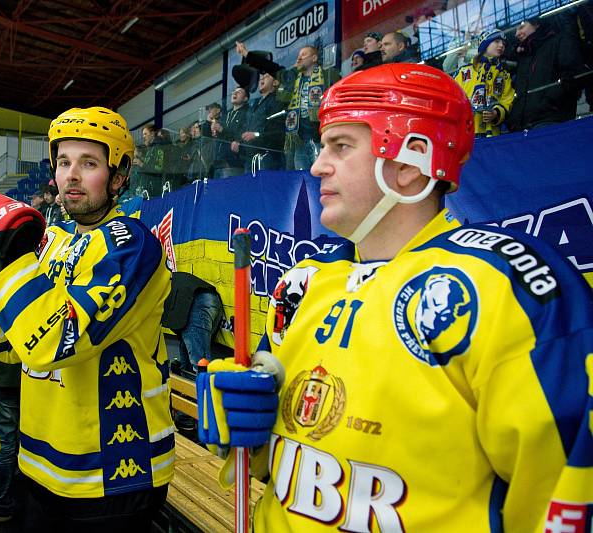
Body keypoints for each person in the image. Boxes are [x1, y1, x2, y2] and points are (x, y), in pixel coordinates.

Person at [197, 63, 593, 531]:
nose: (317, 165)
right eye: (323, 146)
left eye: (341, 146)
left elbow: (561, 497)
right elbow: (278, 461)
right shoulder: (303, 282)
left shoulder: (508, 286)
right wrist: (239, 421)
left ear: (409, 163)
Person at [0, 106, 174, 530]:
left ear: (119, 174)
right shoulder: (51, 243)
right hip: (41, 466)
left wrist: (12, 268)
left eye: (88, 163)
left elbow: (54, 342)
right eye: (63, 162)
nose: (71, 175)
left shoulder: (132, 247)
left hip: (111, 476)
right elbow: (9, 353)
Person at [236, 41, 340, 170]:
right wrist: (246, 54)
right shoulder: (291, 77)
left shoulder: (328, 76)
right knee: (301, 180)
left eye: (304, 54)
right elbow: (270, 67)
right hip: (298, 141)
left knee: (321, 176)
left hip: (320, 139)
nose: (299, 58)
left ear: (314, 58)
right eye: (298, 55)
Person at [507, 17, 586, 131]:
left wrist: (548, 103)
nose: (517, 33)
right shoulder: (525, 56)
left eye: (521, 27)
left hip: (550, 123)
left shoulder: (559, 42)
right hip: (522, 128)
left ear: (536, 24)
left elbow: (573, 76)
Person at [455, 29, 515, 137]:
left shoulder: (504, 75)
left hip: (493, 135)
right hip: (467, 135)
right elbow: (453, 98)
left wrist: (496, 113)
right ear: (484, 44)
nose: (501, 45)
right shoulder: (464, 71)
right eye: (496, 41)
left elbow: (507, 101)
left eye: (503, 43)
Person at [240, 71, 286, 173]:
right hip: (250, 155)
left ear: (275, 83)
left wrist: (257, 135)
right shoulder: (255, 104)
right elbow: (246, 126)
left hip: (268, 155)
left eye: (266, 76)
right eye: (261, 77)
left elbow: (277, 130)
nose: (262, 79)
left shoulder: (277, 101)